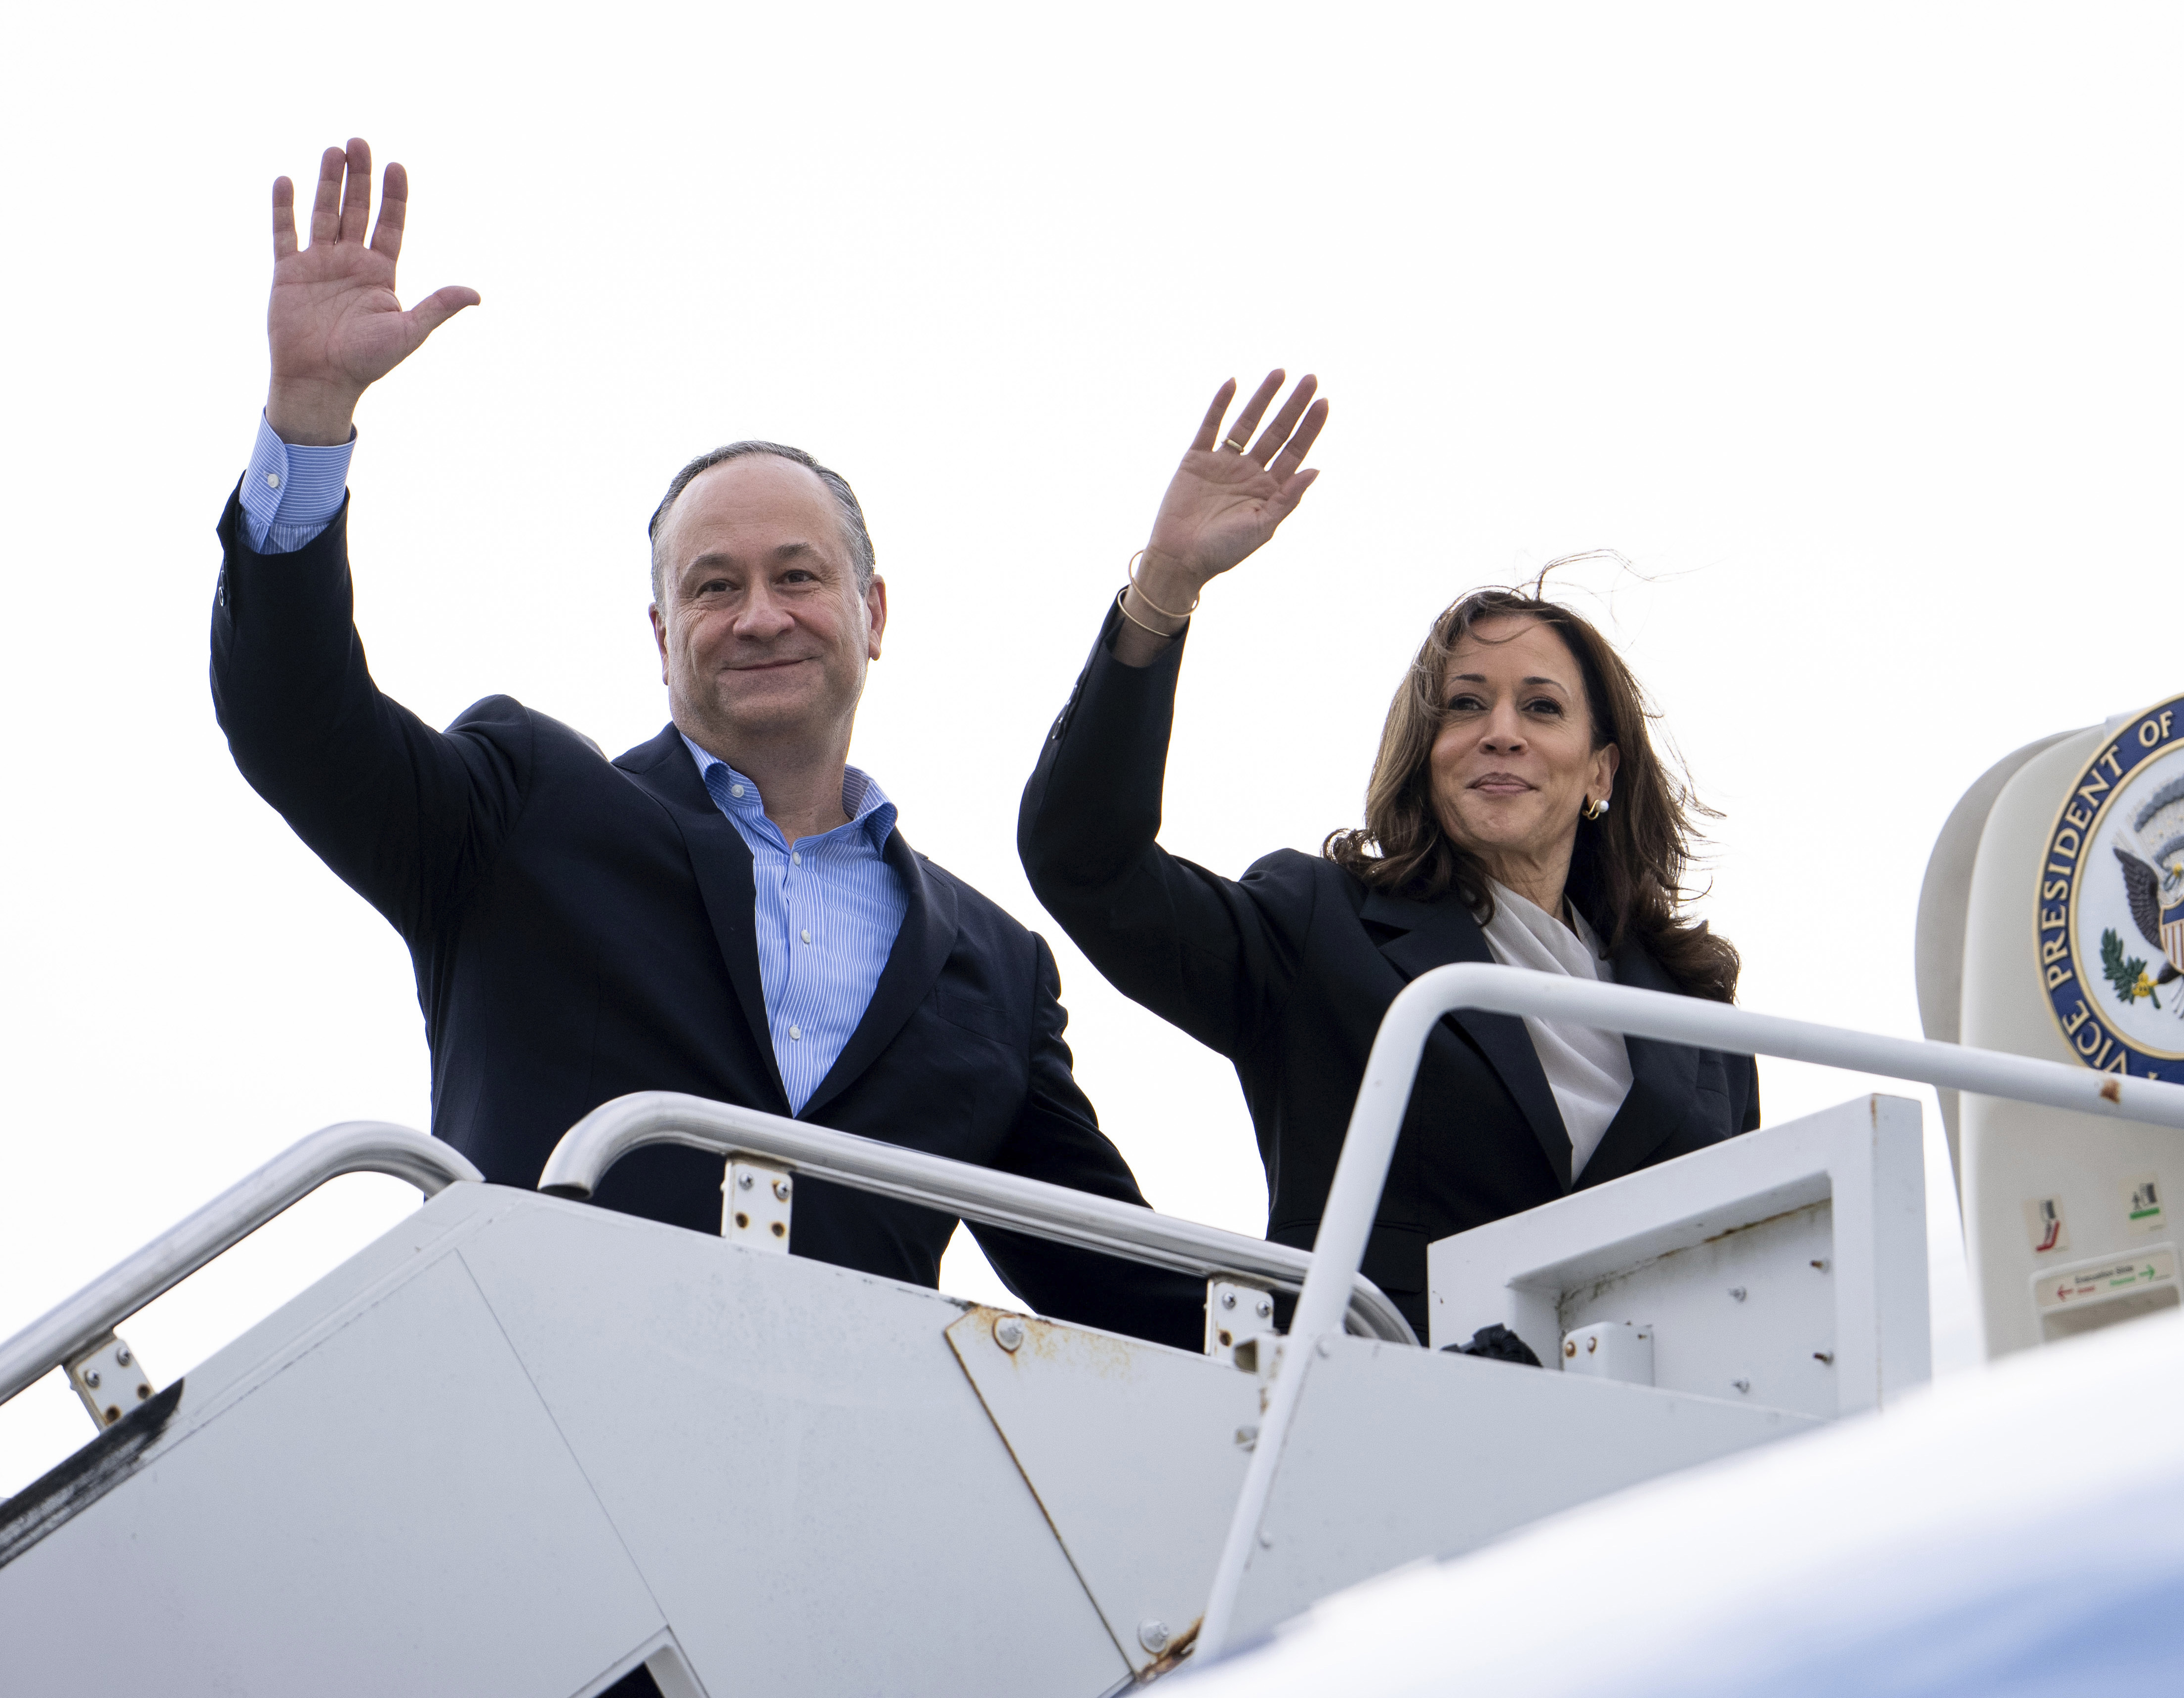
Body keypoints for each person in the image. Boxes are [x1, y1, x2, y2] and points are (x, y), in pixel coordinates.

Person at [213, 137, 1199, 1349]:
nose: (761, 616)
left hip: (846, 1485)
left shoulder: (994, 971)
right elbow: (294, 722)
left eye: (798, 576)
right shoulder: (522, 809)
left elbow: (1127, 1279)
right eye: (714, 586)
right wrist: (308, 425)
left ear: (873, 614)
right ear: (662, 633)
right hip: (538, 1433)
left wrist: (1394, 1340)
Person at [1019, 373, 1760, 1337]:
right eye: (1464, 705)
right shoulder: (1317, 928)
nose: (1501, 732)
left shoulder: (1698, 1019)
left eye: (1540, 707)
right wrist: (1165, 588)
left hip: (1641, 1454)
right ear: (1427, 756)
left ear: (1599, 772)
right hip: (1382, 1426)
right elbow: (1086, 862)